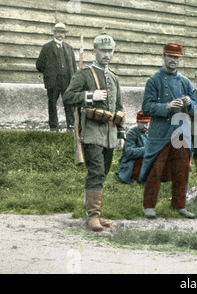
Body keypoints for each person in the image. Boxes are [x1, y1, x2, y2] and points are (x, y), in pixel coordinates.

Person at [63, 33, 125, 233]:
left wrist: (121, 134)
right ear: (95, 51)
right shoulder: (84, 75)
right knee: (96, 172)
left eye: (110, 51)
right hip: (91, 133)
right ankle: (93, 217)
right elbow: (68, 96)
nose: (107, 55)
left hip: (109, 133)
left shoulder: (114, 78)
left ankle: (96, 213)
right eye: (103, 51)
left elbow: (119, 108)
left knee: (103, 173)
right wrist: (91, 95)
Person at [139, 43, 197, 219]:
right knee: (155, 169)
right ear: (163, 57)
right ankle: (149, 206)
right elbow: (147, 107)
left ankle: (179, 204)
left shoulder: (185, 82)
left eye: (176, 57)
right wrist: (168, 106)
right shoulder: (153, 80)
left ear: (180, 59)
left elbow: (196, 108)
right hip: (160, 133)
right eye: (170, 56)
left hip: (181, 132)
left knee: (182, 169)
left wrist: (189, 103)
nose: (173, 60)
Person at [36, 23, 77, 132]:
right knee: (52, 103)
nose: (60, 35)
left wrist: (73, 80)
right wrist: (49, 73)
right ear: (54, 33)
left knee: (69, 103)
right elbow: (39, 65)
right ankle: (53, 126)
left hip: (67, 81)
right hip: (53, 81)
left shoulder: (69, 48)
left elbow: (73, 65)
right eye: (58, 32)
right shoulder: (47, 47)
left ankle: (71, 126)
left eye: (62, 32)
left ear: (65, 34)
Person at [117, 111, 151, 184]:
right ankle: (135, 178)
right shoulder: (131, 134)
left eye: (147, 123)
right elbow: (129, 152)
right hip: (131, 163)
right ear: (137, 122)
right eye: (142, 123)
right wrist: (147, 150)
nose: (145, 126)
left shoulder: (151, 132)